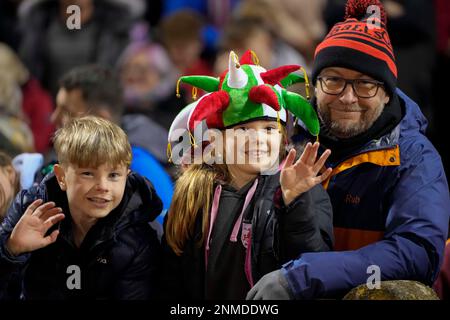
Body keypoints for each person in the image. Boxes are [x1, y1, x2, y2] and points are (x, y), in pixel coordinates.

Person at [247, 0, 450, 300]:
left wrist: (305, 276)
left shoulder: (414, 158)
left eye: (365, 84)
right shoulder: (280, 137)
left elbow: (417, 253)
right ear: (315, 84)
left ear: (386, 93)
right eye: (334, 80)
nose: (347, 97)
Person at [161, 50, 334, 299]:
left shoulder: (303, 191)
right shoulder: (193, 192)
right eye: (243, 129)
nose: (258, 139)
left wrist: (295, 204)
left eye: (268, 129)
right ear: (215, 139)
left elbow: (311, 269)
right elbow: (170, 277)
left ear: (283, 138)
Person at [0, 116, 162, 299]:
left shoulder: (139, 239)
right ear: (61, 177)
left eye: (114, 175)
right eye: (88, 173)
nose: (103, 186)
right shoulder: (29, 209)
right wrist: (11, 250)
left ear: (127, 176)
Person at [51, 65, 173, 222]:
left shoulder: (140, 166)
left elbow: (165, 232)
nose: (53, 118)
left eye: (67, 112)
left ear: (102, 118)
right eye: (88, 173)